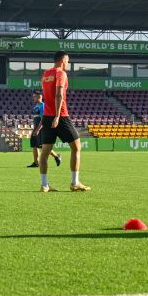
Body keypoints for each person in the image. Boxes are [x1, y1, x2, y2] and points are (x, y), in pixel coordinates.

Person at [37, 51, 88, 193]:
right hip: (61, 116)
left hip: (47, 115)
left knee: (45, 152)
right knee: (76, 147)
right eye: (68, 61)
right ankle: (74, 182)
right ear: (63, 60)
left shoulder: (45, 74)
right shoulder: (61, 73)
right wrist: (58, 116)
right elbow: (58, 94)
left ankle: (44, 185)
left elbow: (47, 95)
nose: (68, 63)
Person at [26, 90, 62, 168]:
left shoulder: (43, 106)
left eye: (34, 96)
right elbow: (36, 119)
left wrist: (38, 129)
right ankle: (36, 162)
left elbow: (43, 119)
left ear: (39, 96)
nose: (33, 98)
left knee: (43, 146)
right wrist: (34, 128)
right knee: (34, 145)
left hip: (42, 129)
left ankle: (56, 156)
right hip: (36, 128)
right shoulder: (36, 107)